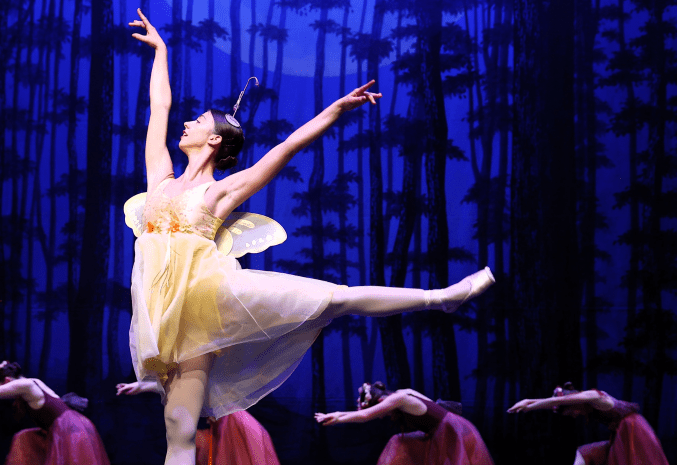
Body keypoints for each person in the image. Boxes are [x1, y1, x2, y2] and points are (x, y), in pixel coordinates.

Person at [126, 8, 496, 464]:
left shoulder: (219, 191)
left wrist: (336, 109)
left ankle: (442, 297)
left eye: (198, 120)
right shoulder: (159, 178)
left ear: (216, 139)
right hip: (163, 312)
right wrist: (161, 51)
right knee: (177, 431)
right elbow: (157, 108)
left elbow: (287, 147)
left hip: (208, 299)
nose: (187, 123)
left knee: (335, 298)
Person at [0, 361, 110, 465]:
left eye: (2, 386)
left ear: (7, 381)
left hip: (70, 431)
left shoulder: (25, 385)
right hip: (71, 426)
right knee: (24, 438)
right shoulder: (34, 382)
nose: (4, 391)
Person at [316, 382, 493, 465]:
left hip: (451, 430)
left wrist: (337, 416)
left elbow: (364, 415)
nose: (383, 415)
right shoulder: (403, 393)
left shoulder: (398, 399)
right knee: (398, 441)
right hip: (443, 428)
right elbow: (433, 405)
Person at [117, 380, 280, 465]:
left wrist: (142, 386)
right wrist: (141, 386)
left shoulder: (233, 425)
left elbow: (179, 385)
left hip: (234, 423)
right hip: (224, 421)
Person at [508, 382, 670, 465]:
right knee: (584, 453)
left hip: (633, 431)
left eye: (571, 412)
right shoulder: (588, 405)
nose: (573, 416)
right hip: (620, 434)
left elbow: (562, 399)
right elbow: (563, 401)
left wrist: (531, 404)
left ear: (575, 404)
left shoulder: (596, 397)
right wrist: (531, 403)